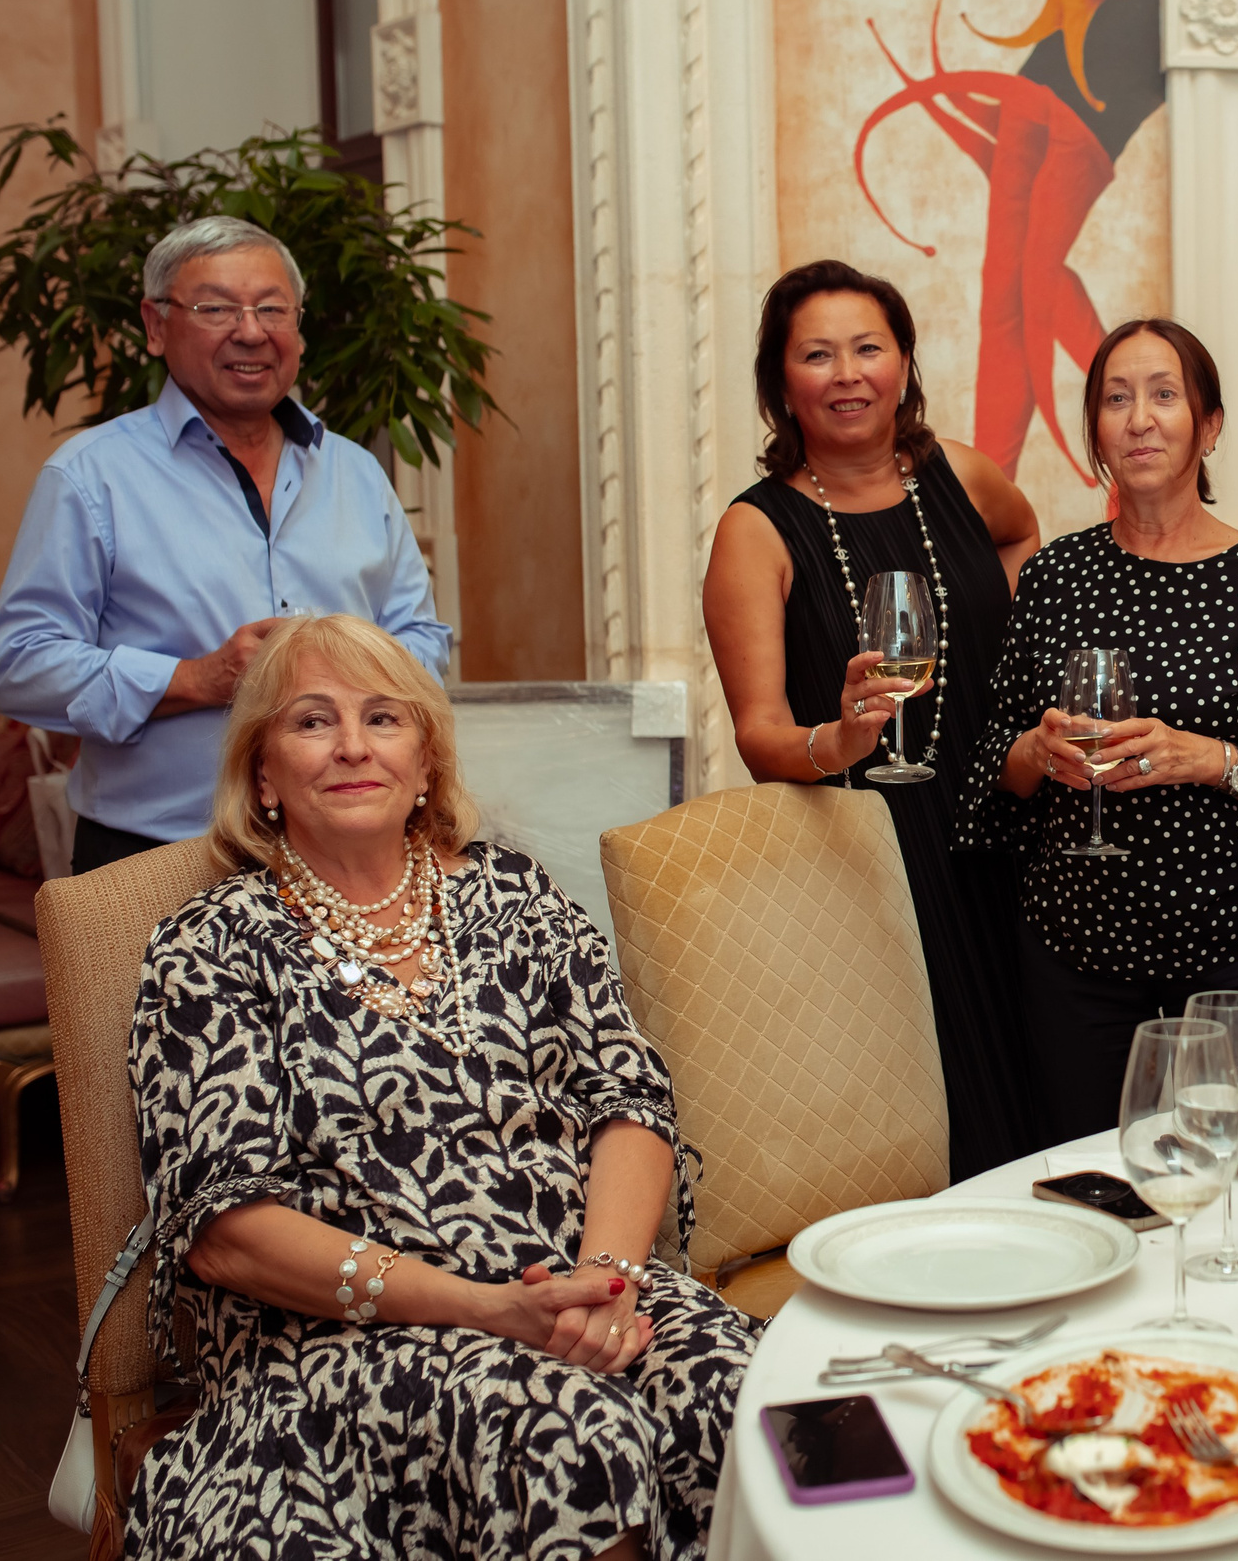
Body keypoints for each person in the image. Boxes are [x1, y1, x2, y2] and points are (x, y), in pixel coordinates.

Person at [125, 615, 761, 1558]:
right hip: (338, 1346)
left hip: (572, 1281)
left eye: (383, 718)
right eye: (311, 721)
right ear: (261, 775)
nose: (351, 746)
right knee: (564, 1436)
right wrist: (486, 1308)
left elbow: (629, 1093)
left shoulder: (516, 893)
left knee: (755, 1396)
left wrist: (608, 1277)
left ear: (426, 762)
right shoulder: (210, 948)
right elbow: (227, 1233)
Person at [961, 319, 1238, 1139]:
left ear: (1210, 425)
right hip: (1072, 951)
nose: (1140, 418)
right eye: (1116, 399)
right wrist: (1038, 753)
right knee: (1092, 1186)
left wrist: (1209, 758)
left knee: (1227, 1179)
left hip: (1236, 952)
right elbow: (992, 763)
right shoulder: (1053, 577)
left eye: (1164, 395)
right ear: (1097, 433)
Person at [703, 259, 1044, 1179]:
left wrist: (1012, 670)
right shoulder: (756, 530)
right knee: (943, 1118)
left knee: (1045, 1081)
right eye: (818, 354)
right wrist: (842, 739)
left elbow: (1020, 534)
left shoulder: (964, 478)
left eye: (868, 348)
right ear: (783, 383)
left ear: (903, 363)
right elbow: (760, 734)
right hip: (875, 864)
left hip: (1009, 828)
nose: (847, 373)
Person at [0, 216, 449, 875]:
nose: (251, 331)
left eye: (271, 309)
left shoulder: (355, 472)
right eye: (216, 308)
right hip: (160, 855)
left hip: (345, 853)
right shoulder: (91, 476)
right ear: (154, 324)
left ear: (298, 327)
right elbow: (19, 665)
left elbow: (421, 636)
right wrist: (192, 678)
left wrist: (357, 680)